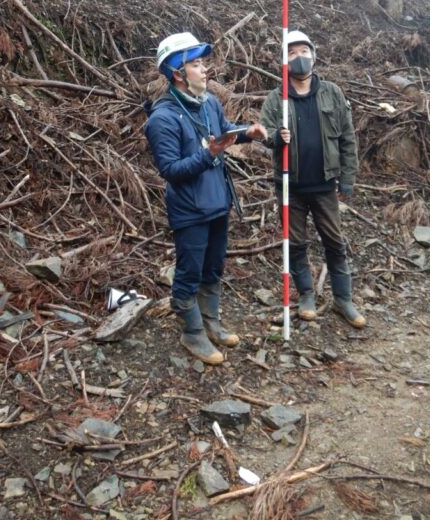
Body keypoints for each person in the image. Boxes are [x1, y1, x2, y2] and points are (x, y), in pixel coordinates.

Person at [145, 32, 266, 364]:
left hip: (217, 201)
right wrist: (209, 153)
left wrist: (246, 132)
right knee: (189, 271)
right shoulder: (162, 118)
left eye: (203, 63)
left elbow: (223, 129)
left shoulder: (209, 102)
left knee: (213, 267)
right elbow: (170, 170)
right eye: (196, 65)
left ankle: (211, 323)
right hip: (189, 209)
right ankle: (192, 332)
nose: (205, 70)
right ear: (177, 73)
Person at [260, 30, 365, 328]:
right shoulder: (276, 98)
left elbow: (347, 138)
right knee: (295, 244)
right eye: (292, 53)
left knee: (334, 241)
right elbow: (265, 134)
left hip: (324, 185)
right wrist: (276, 138)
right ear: (284, 60)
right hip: (289, 187)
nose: (299, 58)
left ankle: (343, 300)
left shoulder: (332, 92)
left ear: (313, 56)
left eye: (304, 51)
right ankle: (306, 296)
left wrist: (348, 178)